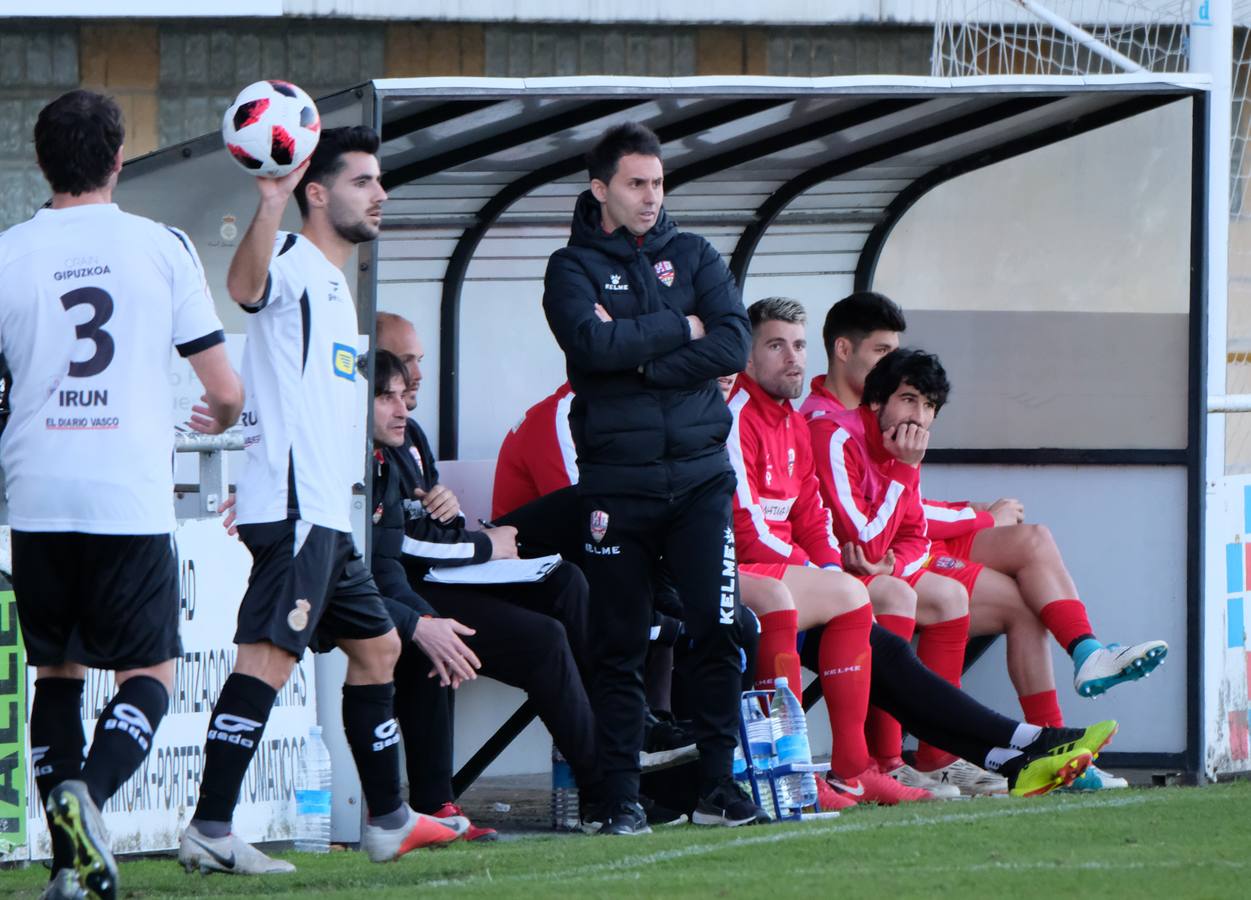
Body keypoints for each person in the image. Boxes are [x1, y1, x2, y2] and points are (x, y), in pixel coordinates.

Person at [179, 127, 468, 877]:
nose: (380, 194)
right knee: (267, 661)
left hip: (328, 521)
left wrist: (238, 415)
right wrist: (268, 201)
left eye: (380, 181)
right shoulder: (296, 264)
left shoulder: (338, 287)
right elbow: (245, 290)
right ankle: (211, 827)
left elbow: (285, 391)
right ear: (317, 191)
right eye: (364, 181)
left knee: (379, 650)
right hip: (301, 513)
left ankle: (389, 821)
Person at [0, 90, 242, 900]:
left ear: (41, 163)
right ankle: (88, 801)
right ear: (117, 159)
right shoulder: (161, 247)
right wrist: (225, 411)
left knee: (57, 676)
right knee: (151, 674)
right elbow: (223, 388)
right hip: (124, 498)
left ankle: (70, 870)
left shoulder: (7, 253)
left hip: (35, 493)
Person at [805, 292, 1168, 792]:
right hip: (853, 572)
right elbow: (866, 528)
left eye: (925, 402)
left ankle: (1076, 703)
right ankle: (905, 761)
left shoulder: (891, 422)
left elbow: (905, 521)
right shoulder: (828, 424)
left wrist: (910, 543)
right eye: (883, 354)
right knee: (936, 591)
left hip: (898, 556)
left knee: (1032, 548)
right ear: (846, 351)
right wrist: (975, 515)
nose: (895, 370)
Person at [542, 121, 760, 833]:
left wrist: (636, 356)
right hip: (618, 487)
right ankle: (620, 800)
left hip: (700, 479)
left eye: (658, 183)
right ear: (600, 188)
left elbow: (733, 341)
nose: (650, 197)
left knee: (717, 627)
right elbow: (589, 344)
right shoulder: (569, 269)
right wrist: (682, 328)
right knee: (619, 645)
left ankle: (717, 789)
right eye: (635, 184)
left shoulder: (693, 253)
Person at [370, 319, 620, 827]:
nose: (416, 376)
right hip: (406, 593)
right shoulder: (357, 447)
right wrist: (485, 545)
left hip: (442, 577)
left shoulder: (409, 434)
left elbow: (431, 527)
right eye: (402, 367)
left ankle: (626, 736)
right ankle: (610, 790)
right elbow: (388, 546)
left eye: (417, 362)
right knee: (544, 638)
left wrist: (451, 515)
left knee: (567, 580)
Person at [727, 298, 942, 808]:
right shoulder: (737, 412)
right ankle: (806, 768)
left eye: (799, 345)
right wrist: (819, 571)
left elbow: (812, 517)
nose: (793, 358)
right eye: (776, 345)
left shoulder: (792, 421)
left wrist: (823, 566)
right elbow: (746, 524)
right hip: (733, 566)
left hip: (787, 567)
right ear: (748, 357)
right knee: (842, 592)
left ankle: (860, 768)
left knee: (861, 591)